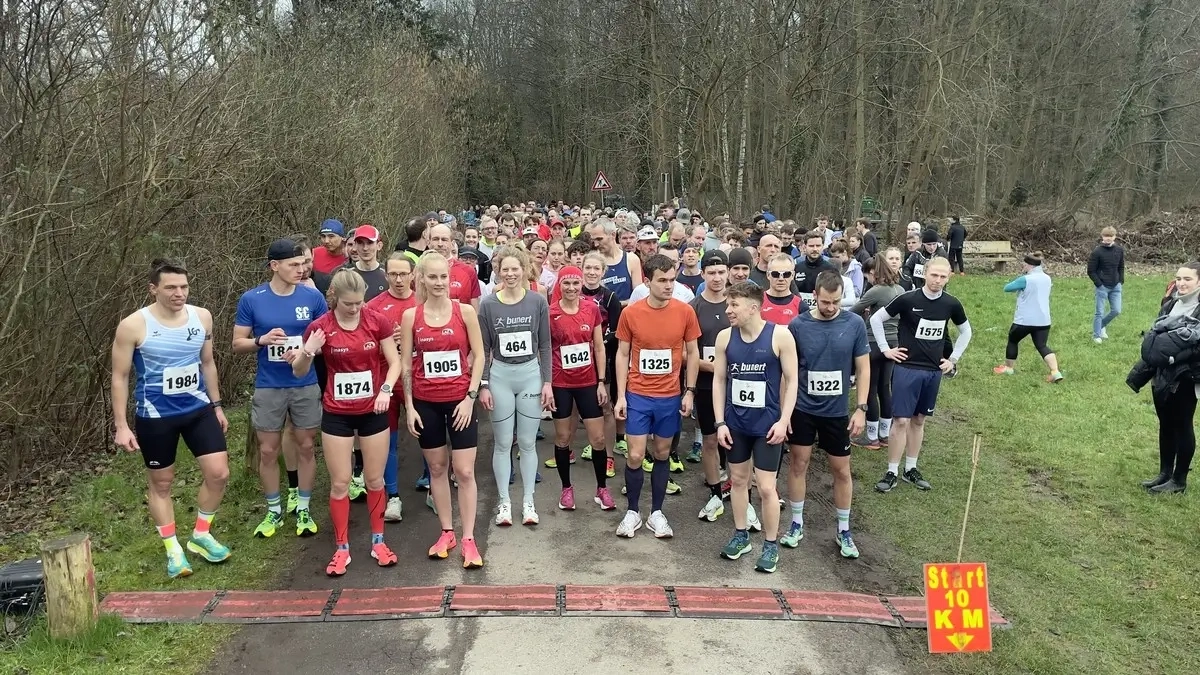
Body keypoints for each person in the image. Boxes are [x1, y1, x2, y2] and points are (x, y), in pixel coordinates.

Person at [111, 259, 231, 578]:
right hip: (156, 416)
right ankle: (173, 550)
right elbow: (120, 376)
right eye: (171, 288)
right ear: (153, 289)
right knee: (162, 483)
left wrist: (217, 406)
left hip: (198, 410)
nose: (179, 293)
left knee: (219, 474)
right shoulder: (133, 325)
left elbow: (208, 363)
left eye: (184, 286)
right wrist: (121, 426)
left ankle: (201, 535)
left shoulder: (202, 317)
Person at [287, 270, 400, 576]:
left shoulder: (376, 321)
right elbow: (299, 371)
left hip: (372, 409)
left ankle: (379, 542)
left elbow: (394, 362)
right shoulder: (320, 327)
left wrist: (386, 389)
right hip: (337, 412)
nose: (354, 308)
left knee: (374, 480)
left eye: (359, 302)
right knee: (340, 482)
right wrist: (309, 350)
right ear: (334, 298)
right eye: (348, 303)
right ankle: (341, 548)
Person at [233, 239, 327, 538]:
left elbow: (325, 339)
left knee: (306, 446)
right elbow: (237, 343)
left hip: (304, 383)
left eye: (303, 264)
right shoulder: (252, 299)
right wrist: (260, 340)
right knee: (268, 450)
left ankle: (304, 507)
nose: (301, 270)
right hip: (269, 385)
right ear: (274, 266)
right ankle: (273, 510)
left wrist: (305, 351)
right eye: (293, 265)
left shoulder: (312, 297)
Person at [399, 252, 487, 568]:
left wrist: (471, 397)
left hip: (460, 401)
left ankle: (469, 538)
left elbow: (479, 356)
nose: (439, 283)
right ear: (422, 279)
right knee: (437, 468)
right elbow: (406, 365)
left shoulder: (465, 312)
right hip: (426, 403)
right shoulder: (411, 316)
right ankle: (447, 532)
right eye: (432, 277)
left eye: (443, 277)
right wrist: (410, 406)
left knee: (464, 471)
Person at [710, 281, 798, 572]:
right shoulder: (725, 337)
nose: (728, 310)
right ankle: (741, 535)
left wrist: (784, 421)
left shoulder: (780, 336)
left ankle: (770, 545)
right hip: (736, 424)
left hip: (767, 426)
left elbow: (792, 381)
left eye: (733, 304)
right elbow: (719, 380)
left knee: (767, 487)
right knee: (737, 480)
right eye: (728, 304)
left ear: (753, 307)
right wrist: (720, 422)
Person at [782, 271, 870, 559]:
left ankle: (844, 529)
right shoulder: (798, 325)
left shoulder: (854, 324)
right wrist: (784, 413)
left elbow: (864, 368)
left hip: (836, 412)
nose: (831, 307)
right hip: (803, 409)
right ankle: (796, 523)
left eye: (836, 302)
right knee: (799, 463)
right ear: (815, 296)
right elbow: (788, 372)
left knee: (841, 469)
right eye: (825, 302)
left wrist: (861, 408)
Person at [613, 254, 702, 538]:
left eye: (672, 280)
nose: (668, 286)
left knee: (662, 453)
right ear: (647, 281)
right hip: (638, 395)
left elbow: (693, 352)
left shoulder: (685, 312)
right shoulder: (631, 313)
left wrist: (689, 391)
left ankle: (657, 513)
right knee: (635, 455)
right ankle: (632, 512)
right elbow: (622, 354)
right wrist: (621, 396)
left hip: (669, 396)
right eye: (662, 280)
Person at [870, 257, 972, 493]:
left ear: (949, 277)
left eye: (943, 276)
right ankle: (891, 471)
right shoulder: (908, 299)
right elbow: (876, 318)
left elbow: (966, 331)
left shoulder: (951, 303)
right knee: (901, 421)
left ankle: (910, 469)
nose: (937, 280)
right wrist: (886, 349)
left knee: (918, 420)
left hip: (932, 371)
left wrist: (953, 359)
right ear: (925, 273)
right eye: (934, 275)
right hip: (907, 368)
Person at [478, 246, 553, 527]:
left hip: (530, 374)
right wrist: (484, 384)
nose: (510, 274)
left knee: (528, 442)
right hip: (500, 376)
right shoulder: (488, 304)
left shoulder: (537, 301)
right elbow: (483, 349)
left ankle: (528, 502)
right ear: (498, 271)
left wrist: (548, 382)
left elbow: (545, 345)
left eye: (515, 269)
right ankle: (504, 502)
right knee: (502, 443)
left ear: (524, 270)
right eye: (505, 269)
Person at [548, 266, 614, 511]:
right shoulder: (550, 313)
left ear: (581, 284)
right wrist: (546, 384)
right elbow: (545, 349)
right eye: (566, 283)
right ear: (559, 285)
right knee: (563, 437)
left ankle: (602, 488)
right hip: (560, 383)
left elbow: (599, 347)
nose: (572, 288)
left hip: (588, 382)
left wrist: (601, 381)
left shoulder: (591, 308)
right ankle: (566, 488)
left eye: (576, 283)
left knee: (598, 438)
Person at [366, 253, 424, 519]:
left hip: (417, 378)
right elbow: (365, 347)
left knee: (426, 434)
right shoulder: (373, 306)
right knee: (387, 441)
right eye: (393, 274)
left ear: (413, 275)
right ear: (385, 275)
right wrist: (387, 343)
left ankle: (432, 485)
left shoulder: (422, 302)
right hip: (385, 379)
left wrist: (411, 340)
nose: (399, 280)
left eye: (403, 274)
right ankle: (393, 497)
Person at [1134, 263, 1200, 494]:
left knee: (1182, 424)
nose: (1181, 283)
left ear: (1199, 281)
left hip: (1186, 376)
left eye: (1187, 279)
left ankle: (1179, 480)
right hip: (1162, 373)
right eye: (1178, 278)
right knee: (1166, 423)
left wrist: (1175, 357)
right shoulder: (1171, 303)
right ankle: (1164, 473)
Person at [690, 251, 733, 520]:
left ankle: (739, 488)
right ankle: (715, 491)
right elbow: (686, 353)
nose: (717, 278)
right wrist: (714, 367)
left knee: (737, 438)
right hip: (707, 385)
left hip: (737, 384)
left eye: (721, 272)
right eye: (711, 273)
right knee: (709, 438)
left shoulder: (736, 303)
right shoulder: (693, 308)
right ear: (703, 274)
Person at [851, 248, 905, 449]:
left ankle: (871, 436)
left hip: (873, 343)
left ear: (875, 272)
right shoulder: (900, 290)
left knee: (870, 389)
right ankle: (885, 434)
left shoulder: (876, 290)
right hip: (893, 343)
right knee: (885, 388)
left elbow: (853, 311)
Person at [579, 251, 626, 464]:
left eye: (596, 268)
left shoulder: (610, 297)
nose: (591, 272)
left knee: (605, 406)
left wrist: (597, 343)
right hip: (578, 358)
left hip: (603, 358)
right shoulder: (573, 292)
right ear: (582, 270)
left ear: (603, 272)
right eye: (588, 268)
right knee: (576, 407)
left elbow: (616, 332)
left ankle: (608, 455)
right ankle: (573, 447)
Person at [994, 252, 1063, 382]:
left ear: (1029, 265)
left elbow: (1007, 288)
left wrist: (1020, 279)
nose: (1023, 266)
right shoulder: (1047, 278)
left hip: (1024, 320)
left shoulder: (1025, 279)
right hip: (1043, 320)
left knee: (1013, 340)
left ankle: (1009, 368)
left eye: (1024, 264)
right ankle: (1055, 371)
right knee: (1042, 346)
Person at [428, 224, 483, 309]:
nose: (440, 244)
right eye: (435, 239)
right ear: (428, 242)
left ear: (452, 243)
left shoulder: (468, 271)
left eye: (444, 239)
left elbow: (474, 309)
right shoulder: (419, 270)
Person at [589, 218, 642, 305]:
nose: (596, 244)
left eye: (599, 239)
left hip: (626, 312)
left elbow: (638, 296)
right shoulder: (593, 262)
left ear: (613, 235)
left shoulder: (631, 259)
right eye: (593, 240)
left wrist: (617, 304)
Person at [1088, 226, 1125, 344]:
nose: (1108, 238)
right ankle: (1096, 335)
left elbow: (1121, 267)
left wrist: (1120, 280)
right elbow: (1091, 271)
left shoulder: (1119, 250)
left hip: (1116, 286)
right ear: (1102, 237)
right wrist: (1099, 284)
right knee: (1099, 312)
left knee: (1116, 310)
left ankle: (1100, 326)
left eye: (1110, 236)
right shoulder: (1097, 252)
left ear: (1114, 237)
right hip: (1102, 286)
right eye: (1106, 236)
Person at [629, 244, 695, 303]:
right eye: (663, 261)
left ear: (679, 263)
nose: (668, 265)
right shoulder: (639, 292)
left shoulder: (686, 294)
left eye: (673, 261)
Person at [761, 253, 807, 326]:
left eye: (786, 274)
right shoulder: (758, 302)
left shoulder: (801, 307)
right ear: (768, 275)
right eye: (775, 274)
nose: (781, 278)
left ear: (792, 275)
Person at [794, 231, 838, 304]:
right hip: (800, 309)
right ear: (805, 246)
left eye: (818, 246)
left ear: (823, 246)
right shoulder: (796, 268)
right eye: (811, 246)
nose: (815, 249)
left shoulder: (831, 270)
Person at [347, 225, 388, 300]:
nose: (365, 248)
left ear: (379, 246)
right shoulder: (345, 274)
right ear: (355, 245)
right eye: (360, 243)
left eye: (370, 243)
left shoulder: (388, 274)